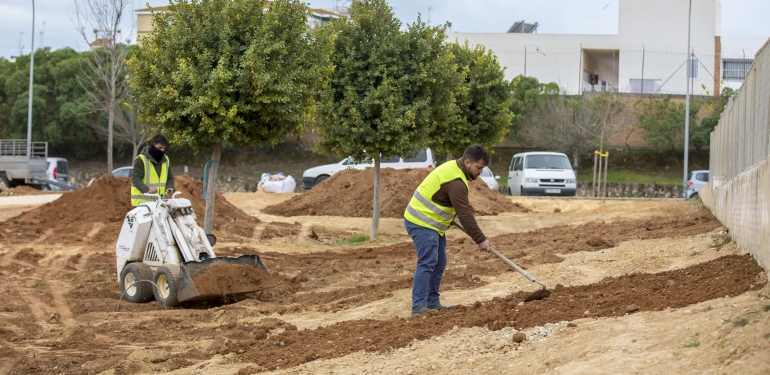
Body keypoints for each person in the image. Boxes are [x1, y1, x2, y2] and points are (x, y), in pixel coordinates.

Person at [404, 144, 492, 318]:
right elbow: (465, 214)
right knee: (428, 261)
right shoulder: (456, 182)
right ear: (467, 162)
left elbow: (442, 198)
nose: (480, 172)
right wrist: (480, 239)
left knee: (439, 261)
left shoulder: (454, 167)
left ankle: (432, 302)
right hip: (421, 222)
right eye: (479, 167)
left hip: (433, 224)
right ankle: (418, 307)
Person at [131, 134, 175, 206]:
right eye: (159, 148)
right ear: (153, 145)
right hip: (142, 204)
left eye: (164, 148)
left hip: (160, 203)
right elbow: (136, 179)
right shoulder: (141, 159)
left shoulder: (166, 159)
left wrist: (170, 187)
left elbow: (169, 177)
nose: (162, 150)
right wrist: (147, 190)